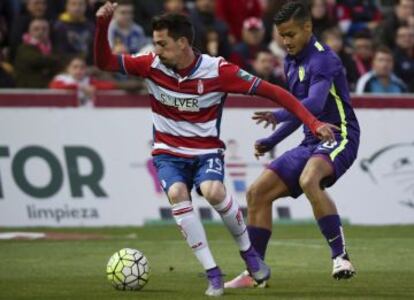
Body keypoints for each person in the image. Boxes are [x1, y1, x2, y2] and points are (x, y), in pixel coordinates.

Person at [95, 2, 336, 296]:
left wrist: (311, 122)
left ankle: (248, 253)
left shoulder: (218, 70)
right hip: (168, 152)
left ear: (182, 43)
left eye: (162, 43)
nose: (156, 50)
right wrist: (102, 25)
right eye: (155, 43)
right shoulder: (150, 65)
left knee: (213, 192)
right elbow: (104, 62)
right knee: (176, 194)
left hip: (206, 151)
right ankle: (213, 273)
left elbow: (274, 92)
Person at [225, 1, 360, 289]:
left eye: (291, 35)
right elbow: (303, 114)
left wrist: (277, 115)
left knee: (310, 179)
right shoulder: (291, 61)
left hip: (339, 134)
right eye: (282, 36)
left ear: (308, 28)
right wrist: (271, 140)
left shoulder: (324, 59)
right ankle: (254, 272)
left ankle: (341, 257)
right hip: (311, 139)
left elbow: (314, 103)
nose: (285, 41)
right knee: (256, 193)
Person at [49, 55, 116, 106]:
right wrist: (80, 87)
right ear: (68, 68)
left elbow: (109, 86)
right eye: (75, 67)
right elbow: (55, 86)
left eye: (82, 67)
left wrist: (95, 88)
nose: (79, 70)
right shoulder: (61, 79)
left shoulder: (88, 80)